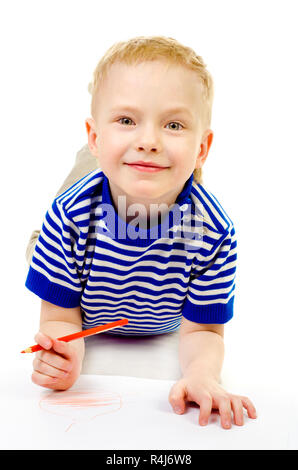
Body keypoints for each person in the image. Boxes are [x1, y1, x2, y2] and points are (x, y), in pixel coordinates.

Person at [25, 35, 257, 429]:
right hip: (85, 251)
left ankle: (150, 158)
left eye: (173, 124)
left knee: (144, 174)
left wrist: (202, 374)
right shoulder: (67, 217)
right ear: (94, 135)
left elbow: (203, 329)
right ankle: (98, 163)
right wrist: (67, 354)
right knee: (42, 245)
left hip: (167, 286)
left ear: (204, 148)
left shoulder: (215, 231)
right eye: (127, 120)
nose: (149, 141)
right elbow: (61, 320)